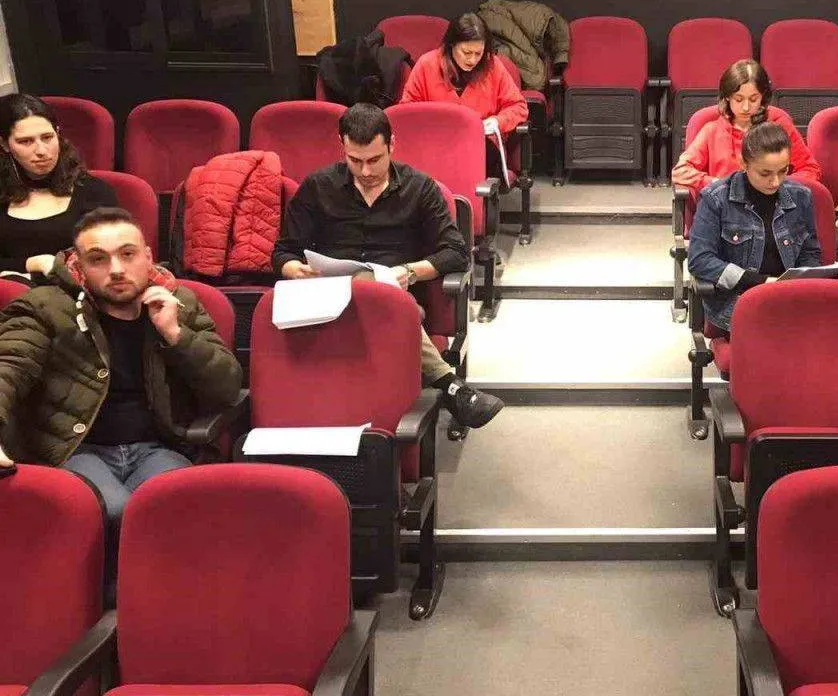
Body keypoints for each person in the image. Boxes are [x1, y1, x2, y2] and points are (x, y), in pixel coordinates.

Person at [0, 207, 242, 519]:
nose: (116, 269)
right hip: (76, 449)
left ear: (148, 257)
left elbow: (226, 387)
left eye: (128, 254)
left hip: (158, 448)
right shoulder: (45, 306)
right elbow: (10, 364)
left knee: (174, 506)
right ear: (79, 266)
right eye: (98, 259)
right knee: (115, 511)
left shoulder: (180, 303)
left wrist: (176, 335)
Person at [273, 102, 504, 429]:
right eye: (355, 161)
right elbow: (283, 252)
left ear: (392, 145)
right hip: (327, 298)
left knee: (371, 287)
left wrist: (409, 271)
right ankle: (450, 387)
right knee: (358, 284)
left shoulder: (419, 188)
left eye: (374, 160)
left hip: (395, 299)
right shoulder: (318, 187)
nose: (365, 171)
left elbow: (456, 252)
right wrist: (294, 269)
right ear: (342, 147)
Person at [687, 122, 823, 333]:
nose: (775, 181)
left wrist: (802, 283)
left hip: (790, 299)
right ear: (744, 163)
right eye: (765, 173)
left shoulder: (800, 196)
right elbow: (700, 260)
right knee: (779, 334)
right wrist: (760, 282)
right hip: (738, 301)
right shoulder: (716, 198)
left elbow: (810, 253)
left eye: (783, 171)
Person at [0, 94, 117, 280]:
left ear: (58, 134)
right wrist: (33, 263)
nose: (41, 151)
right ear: (5, 144)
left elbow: (110, 259)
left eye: (47, 137)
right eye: (25, 141)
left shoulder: (94, 191)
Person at [399, 12, 529, 176]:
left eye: (478, 53)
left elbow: (518, 106)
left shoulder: (492, 66)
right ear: (451, 45)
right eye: (466, 53)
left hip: (481, 148)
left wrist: (498, 121)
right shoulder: (427, 64)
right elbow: (407, 112)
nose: (472, 60)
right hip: (437, 147)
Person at [671, 59, 821, 193]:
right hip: (727, 207)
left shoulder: (778, 124)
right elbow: (681, 171)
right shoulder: (712, 131)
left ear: (763, 97)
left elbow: (809, 169)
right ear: (727, 97)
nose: (746, 107)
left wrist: (779, 185)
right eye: (738, 99)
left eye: (753, 99)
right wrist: (717, 184)